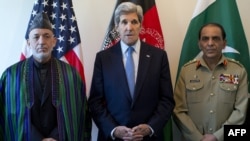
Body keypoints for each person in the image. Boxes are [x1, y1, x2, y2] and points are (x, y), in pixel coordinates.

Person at [88, 2, 175, 141]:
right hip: (114, 138)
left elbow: (167, 100)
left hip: (148, 138)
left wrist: (150, 127)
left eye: (134, 22)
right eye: (124, 22)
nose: (129, 27)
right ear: (117, 26)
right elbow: (95, 102)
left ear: (140, 25)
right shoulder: (103, 58)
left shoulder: (159, 56)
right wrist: (113, 129)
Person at [0, 12, 91, 141]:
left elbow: (80, 115)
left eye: (46, 36)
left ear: (54, 41)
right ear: (28, 42)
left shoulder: (71, 76)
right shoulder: (10, 77)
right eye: (36, 37)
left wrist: (55, 137)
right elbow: (7, 116)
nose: (41, 42)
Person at [173, 23, 249, 141]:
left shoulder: (238, 71)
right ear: (199, 44)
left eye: (216, 38)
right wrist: (197, 138)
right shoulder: (186, 71)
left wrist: (218, 136)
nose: (210, 43)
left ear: (224, 44)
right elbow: (178, 110)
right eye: (205, 39)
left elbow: (241, 112)